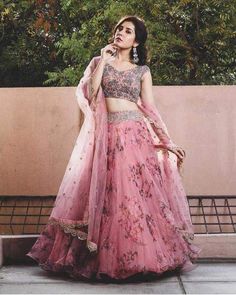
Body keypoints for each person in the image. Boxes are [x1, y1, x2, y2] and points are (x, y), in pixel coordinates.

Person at [26, 15, 201, 281]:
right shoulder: (99, 62)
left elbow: (150, 109)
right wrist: (103, 62)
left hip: (136, 139)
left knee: (135, 198)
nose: (121, 33)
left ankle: (143, 258)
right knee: (108, 197)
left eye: (128, 31)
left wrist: (168, 141)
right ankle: (103, 260)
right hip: (107, 139)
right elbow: (90, 94)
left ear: (136, 41)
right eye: (119, 28)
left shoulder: (142, 72)